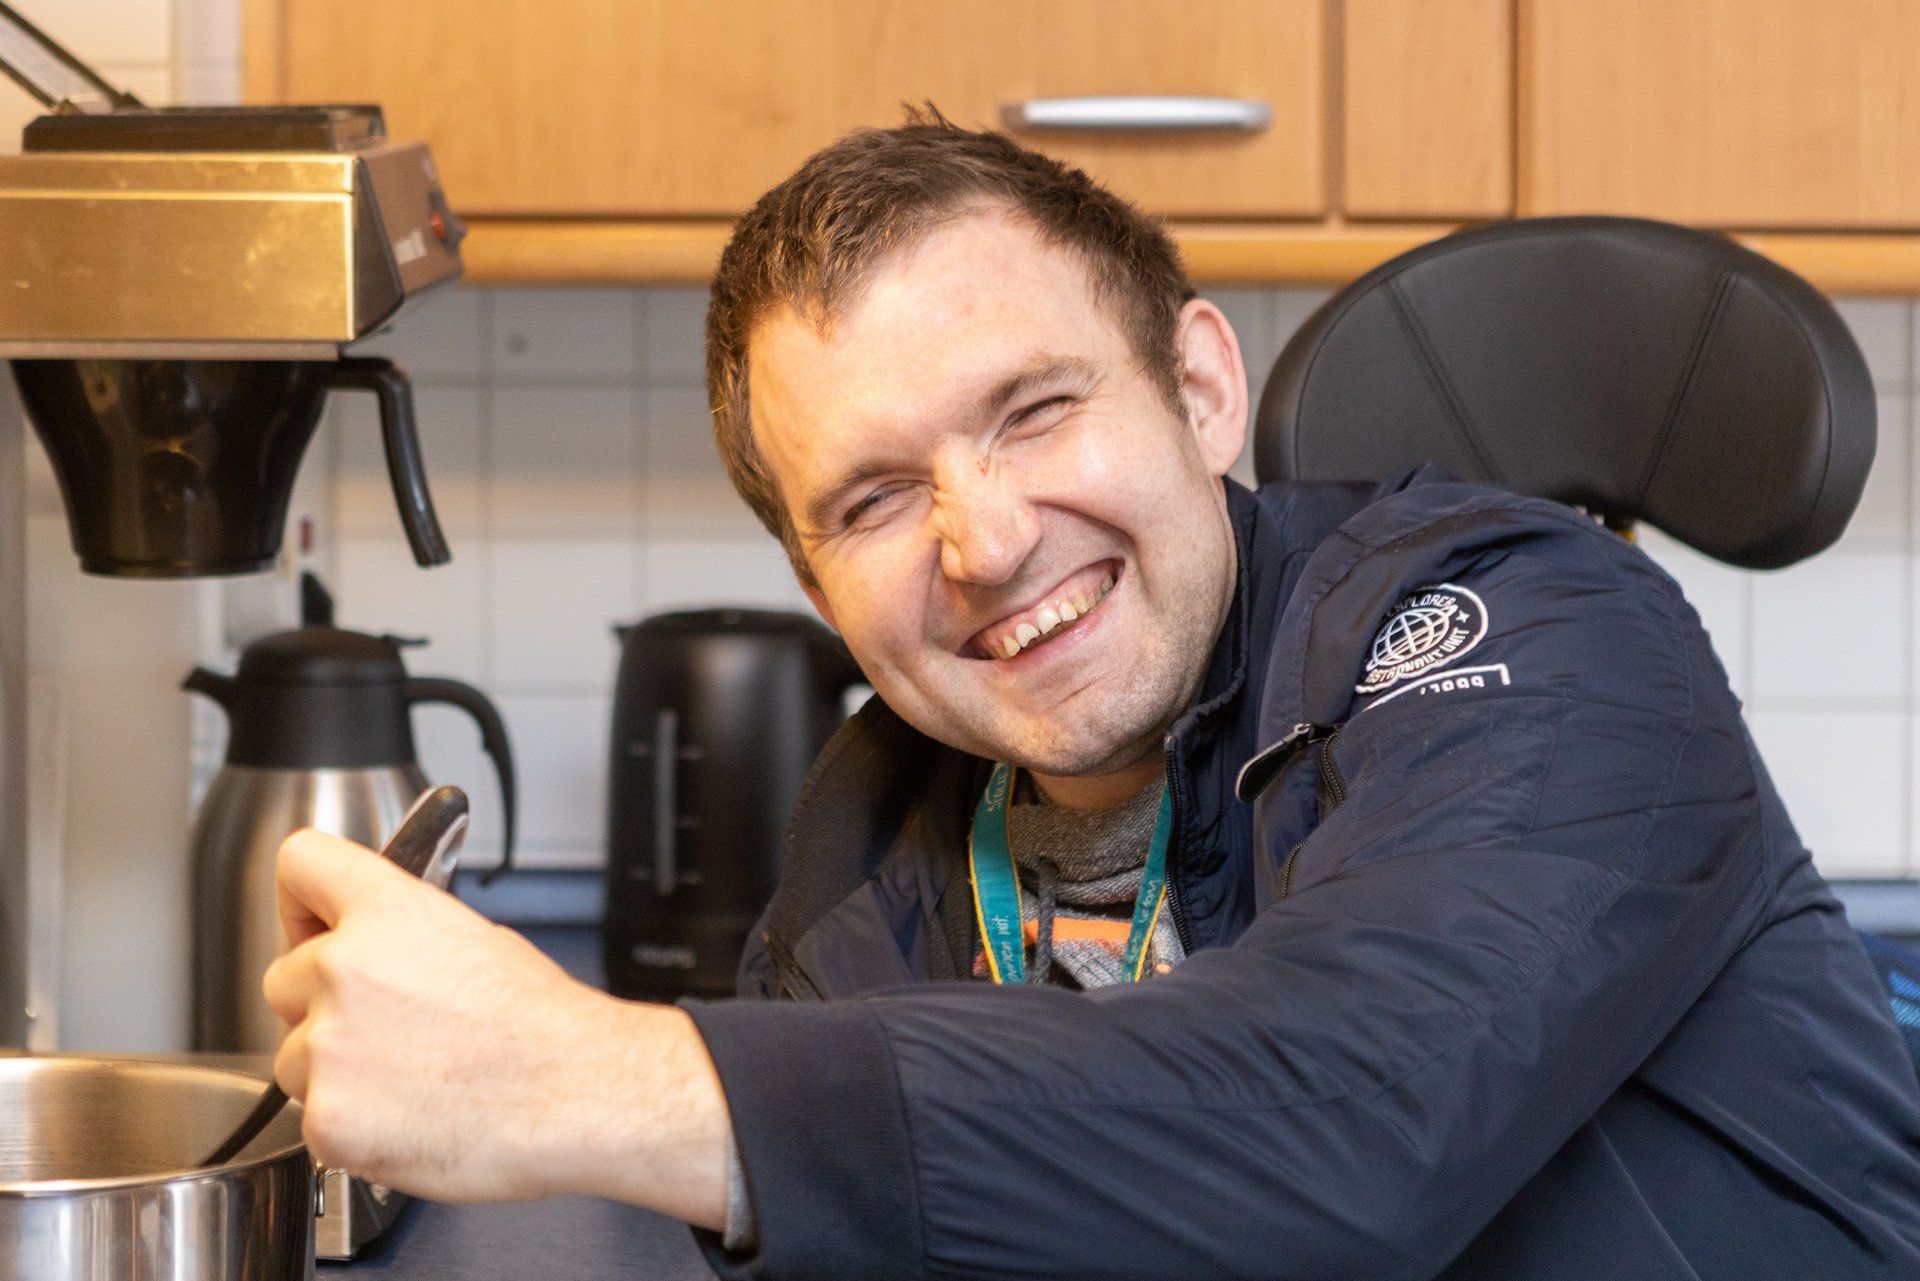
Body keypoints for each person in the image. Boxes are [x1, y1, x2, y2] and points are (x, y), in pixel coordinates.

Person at [264, 114, 1920, 1279]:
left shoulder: (1538, 627)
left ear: (1198, 388)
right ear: (819, 590)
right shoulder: (865, 854)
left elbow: (1360, 1120)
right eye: (872, 500)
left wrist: (593, 1077)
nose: (985, 543)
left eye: (1034, 411)